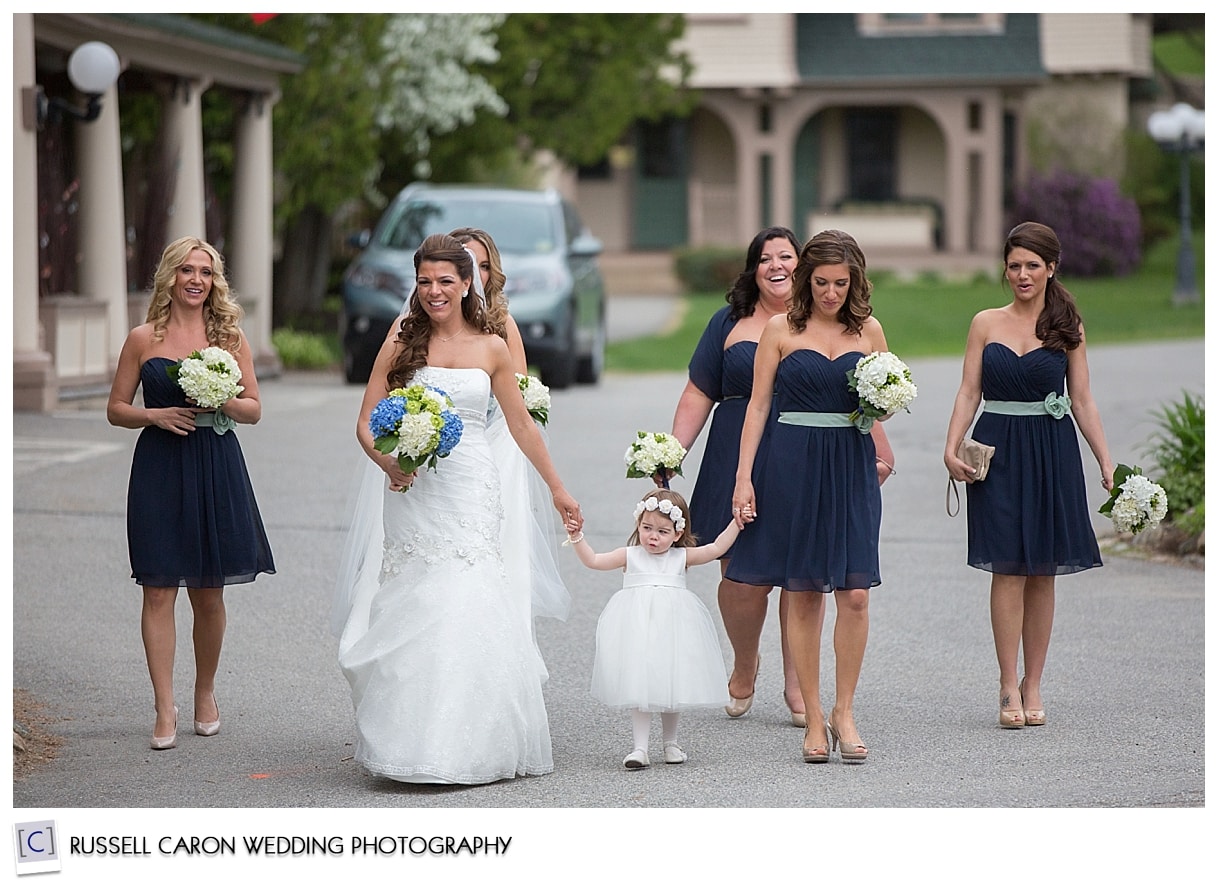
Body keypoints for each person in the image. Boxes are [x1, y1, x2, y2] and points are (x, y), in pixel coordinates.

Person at [335, 233, 583, 785]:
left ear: (469, 283)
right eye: (424, 281)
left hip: (470, 484)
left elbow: (520, 424)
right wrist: (388, 463)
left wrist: (558, 488)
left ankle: (467, 743)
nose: (433, 291)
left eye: (445, 281)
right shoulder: (401, 339)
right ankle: (405, 739)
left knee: (466, 595)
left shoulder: (492, 346)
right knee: (415, 595)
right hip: (412, 487)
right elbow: (366, 417)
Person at [660, 226, 894, 729]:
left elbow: (868, 399)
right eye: (765, 257)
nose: (776, 265)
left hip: (823, 453)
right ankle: (747, 664)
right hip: (745, 449)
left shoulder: (859, 327)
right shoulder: (739, 324)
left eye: (785, 255)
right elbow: (701, 393)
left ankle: (803, 691)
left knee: (811, 578)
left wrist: (882, 438)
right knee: (744, 578)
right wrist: (675, 453)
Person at [726, 229, 891, 764]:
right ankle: (814, 717)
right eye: (821, 282)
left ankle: (845, 710)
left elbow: (884, 405)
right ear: (805, 280)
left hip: (850, 462)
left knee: (856, 593)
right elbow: (756, 408)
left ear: (855, 281)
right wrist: (743, 477)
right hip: (792, 462)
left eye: (841, 283)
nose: (830, 293)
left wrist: (886, 404)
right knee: (803, 591)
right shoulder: (779, 329)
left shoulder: (869, 331)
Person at [106, 235, 275, 751]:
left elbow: (253, 409)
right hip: (160, 465)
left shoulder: (230, 339)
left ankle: (205, 693)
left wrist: (221, 395)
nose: (196, 280)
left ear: (213, 282)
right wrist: (153, 415)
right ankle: (163, 707)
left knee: (208, 590)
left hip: (215, 464)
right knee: (157, 586)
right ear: (170, 278)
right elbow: (116, 408)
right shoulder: (142, 339)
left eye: (204, 271)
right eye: (186, 270)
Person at [944, 221, 1112, 729]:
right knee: (1008, 567)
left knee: (1043, 568)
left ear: (1051, 268)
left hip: (1052, 451)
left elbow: (1082, 399)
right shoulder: (985, 322)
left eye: (1032, 266)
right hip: (997, 453)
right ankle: (1005, 682)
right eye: (1014, 265)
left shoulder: (1068, 325)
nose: (1021, 274)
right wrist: (951, 447)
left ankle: (1033, 683)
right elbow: (969, 390)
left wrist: (1106, 462)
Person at [565, 489, 738, 769]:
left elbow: (716, 549)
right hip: (637, 629)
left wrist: (737, 523)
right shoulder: (630, 555)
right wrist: (576, 537)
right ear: (638, 525)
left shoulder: (680, 558)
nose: (653, 536)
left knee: (673, 682)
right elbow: (594, 561)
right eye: (647, 528)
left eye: (662, 531)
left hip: (674, 629)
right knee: (640, 683)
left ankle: (671, 743)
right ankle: (639, 748)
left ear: (677, 534)